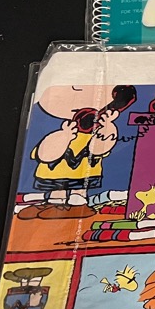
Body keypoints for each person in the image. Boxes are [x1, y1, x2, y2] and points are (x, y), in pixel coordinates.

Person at [18, 84, 136, 220]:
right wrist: (64, 136)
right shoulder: (52, 127)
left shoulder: (99, 131)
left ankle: (78, 203)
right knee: (56, 191)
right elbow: (44, 155)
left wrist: (107, 126)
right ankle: (54, 203)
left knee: (78, 189)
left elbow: (100, 148)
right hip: (53, 172)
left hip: (83, 171)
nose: (77, 89)